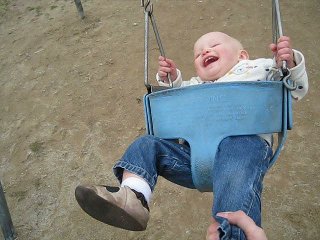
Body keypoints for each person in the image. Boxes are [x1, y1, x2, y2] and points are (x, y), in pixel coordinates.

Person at [75, 32, 308, 239]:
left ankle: (233, 235)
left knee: (235, 171)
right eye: (198, 54)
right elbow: (174, 105)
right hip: (196, 157)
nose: (205, 51)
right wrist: (171, 81)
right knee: (146, 144)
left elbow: (295, 88)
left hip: (244, 148)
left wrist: (289, 63)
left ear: (242, 56)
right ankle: (134, 197)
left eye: (215, 44)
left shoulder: (260, 68)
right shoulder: (196, 84)